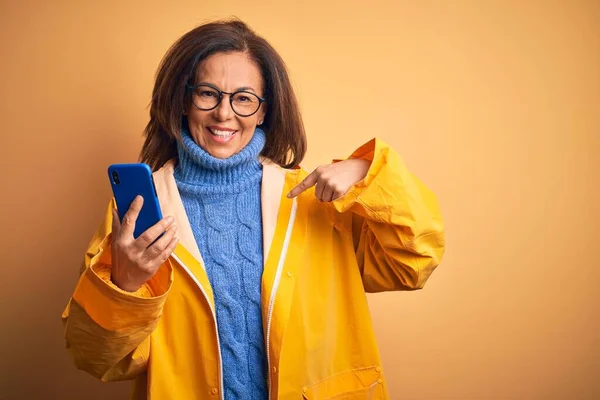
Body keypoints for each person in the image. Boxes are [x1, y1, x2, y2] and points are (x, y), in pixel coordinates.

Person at [62, 18, 445, 400]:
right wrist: (124, 286)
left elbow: (413, 262)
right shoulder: (138, 213)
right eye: (207, 94)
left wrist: (368, 171)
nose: (224, 114)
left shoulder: (315, 199)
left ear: (263, 111)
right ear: (182, 100)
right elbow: (99, 359)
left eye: (244, 98)